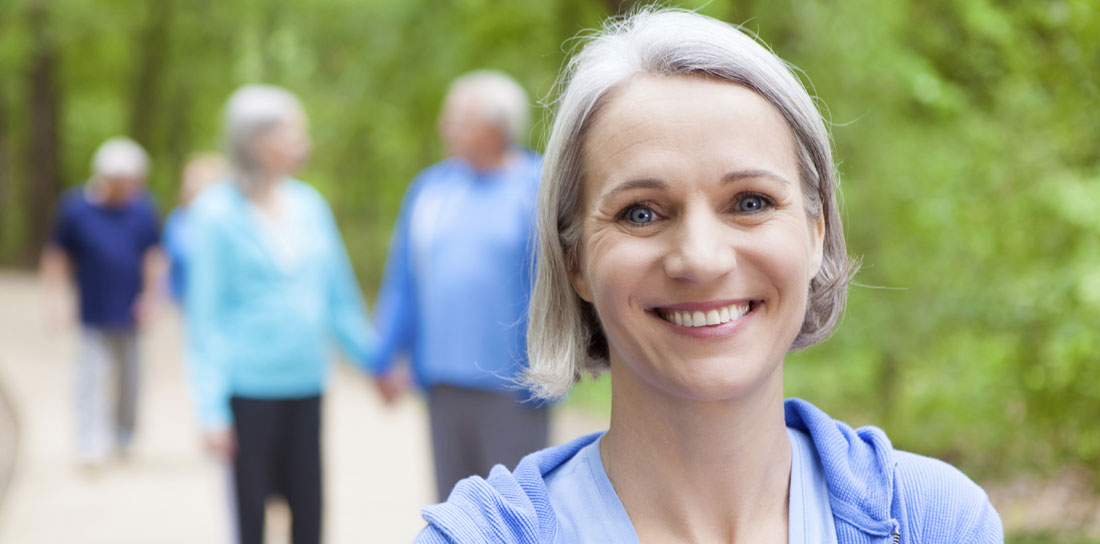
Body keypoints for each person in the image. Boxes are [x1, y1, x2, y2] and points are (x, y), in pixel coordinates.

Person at [416, 8, 1003, 544]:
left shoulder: (936, 521)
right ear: (574, 261)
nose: (700, 259)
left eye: (750, 202)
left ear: (816, 230)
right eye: (641, 213)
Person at [185, 84, 376, 544]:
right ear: (255, 141)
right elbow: (203, 319)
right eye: (292, 133)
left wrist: (378, 364)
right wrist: (211, 410)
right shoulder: (214, 213)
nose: (303, 143)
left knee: (309, 514)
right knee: (250, 520)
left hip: (307, 384)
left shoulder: (310, 205)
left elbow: (339, 301)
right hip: (247, 391)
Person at [371, 70, 547, 500]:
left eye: (458, 120)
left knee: (513, 513)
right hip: (442, 381)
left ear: (496, 127)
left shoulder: (539, 185)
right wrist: (384, 355)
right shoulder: (431, 188)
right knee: (454, 511)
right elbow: (405, 278)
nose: (444, 128)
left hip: (515, 387)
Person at [40, 137, 162, 470]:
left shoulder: (142, 207)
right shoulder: (76, 207)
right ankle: (89, 441)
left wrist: (152, 297)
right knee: (89, 377)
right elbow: (57, 255)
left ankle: (123, 437)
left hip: (130, 309)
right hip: (92, 308)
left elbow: (152, 255)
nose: (128, 189)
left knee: (130, 380)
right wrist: (55, 301)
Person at [162, 153, 227, 304]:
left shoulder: (228, 222)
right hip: (182, 300)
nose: (194, 185)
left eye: (203, 180)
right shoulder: (177, 218)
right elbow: (166, 259)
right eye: (191, 180)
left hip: (219, 302)